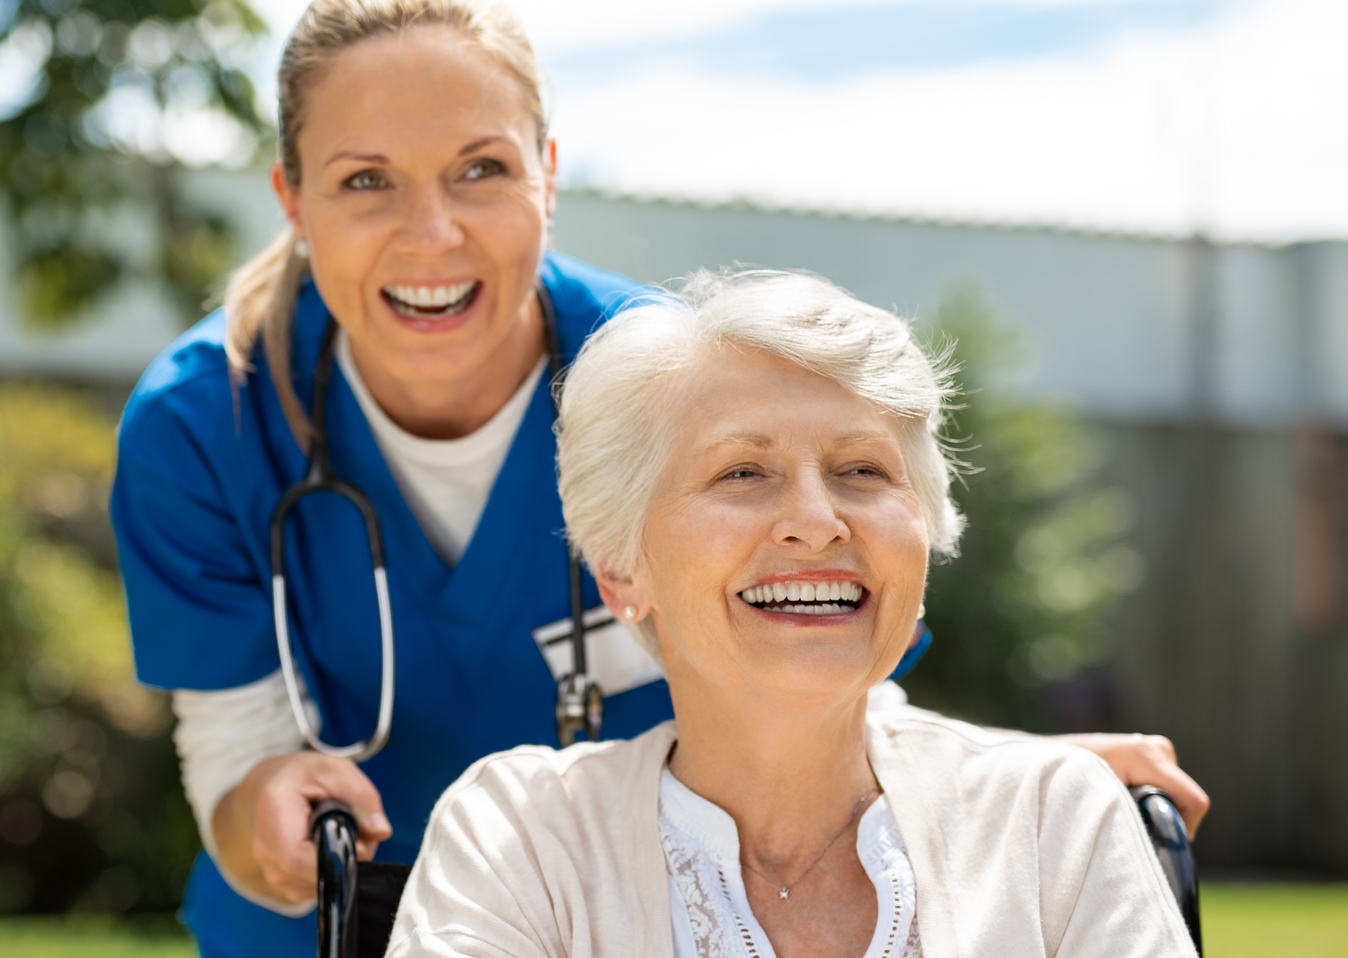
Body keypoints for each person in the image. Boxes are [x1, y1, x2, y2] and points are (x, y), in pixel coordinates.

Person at [108, 0, 1207, 955]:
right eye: (365, 181)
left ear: (548, 172)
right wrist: (261, 809)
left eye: (481, 168)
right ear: (292, 201)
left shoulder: (687, 390)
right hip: (330, 922)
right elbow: (234, 740)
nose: (430, 232)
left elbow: (820, 642)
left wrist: (1012, 800)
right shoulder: (204, 424)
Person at [386, 270, 1198, 958]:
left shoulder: (1055, 819)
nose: (818, 520)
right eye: (742, 472)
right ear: (621, 571)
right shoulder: (518, 837)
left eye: (861, 469)